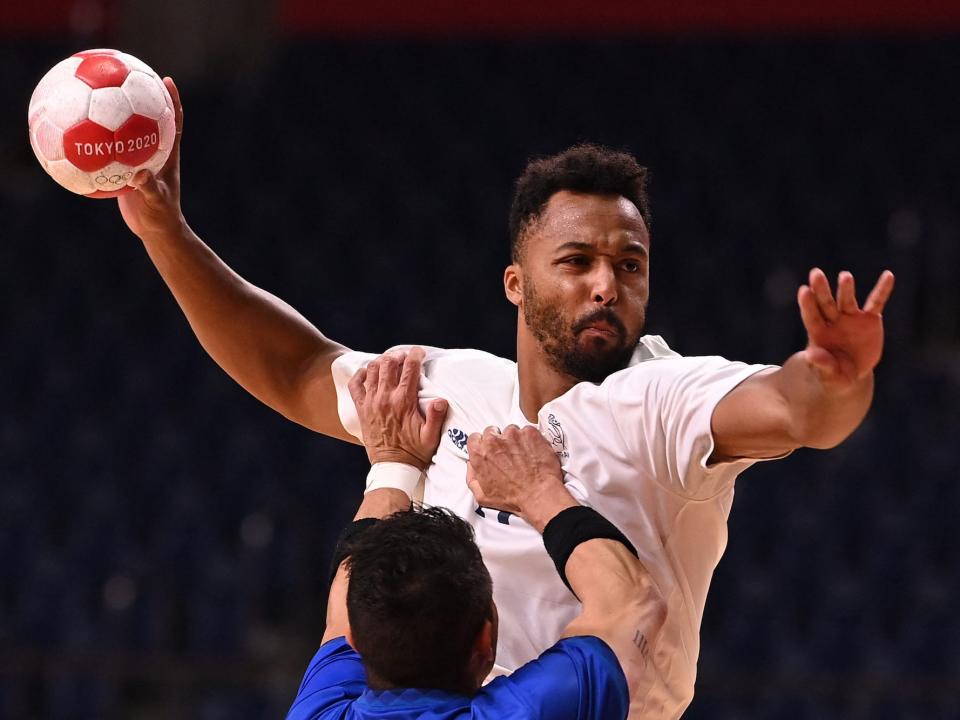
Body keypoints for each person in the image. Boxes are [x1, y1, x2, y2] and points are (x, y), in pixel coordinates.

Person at [120, 80, 895, 715]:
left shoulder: (665, 397)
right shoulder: (449, 387)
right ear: (516, 286)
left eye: (631, 265)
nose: (606, 284)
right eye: (579, 261)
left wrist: (836, 376)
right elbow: (294, 370)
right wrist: (167, 235)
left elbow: (797, 413)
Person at [287, 349, 666, 719]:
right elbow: (632, 601)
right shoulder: (529, 711)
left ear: (354, 643)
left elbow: (342, 605)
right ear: (485, 642)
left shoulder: (320, 711)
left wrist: (392, 462)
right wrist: (539, 494)